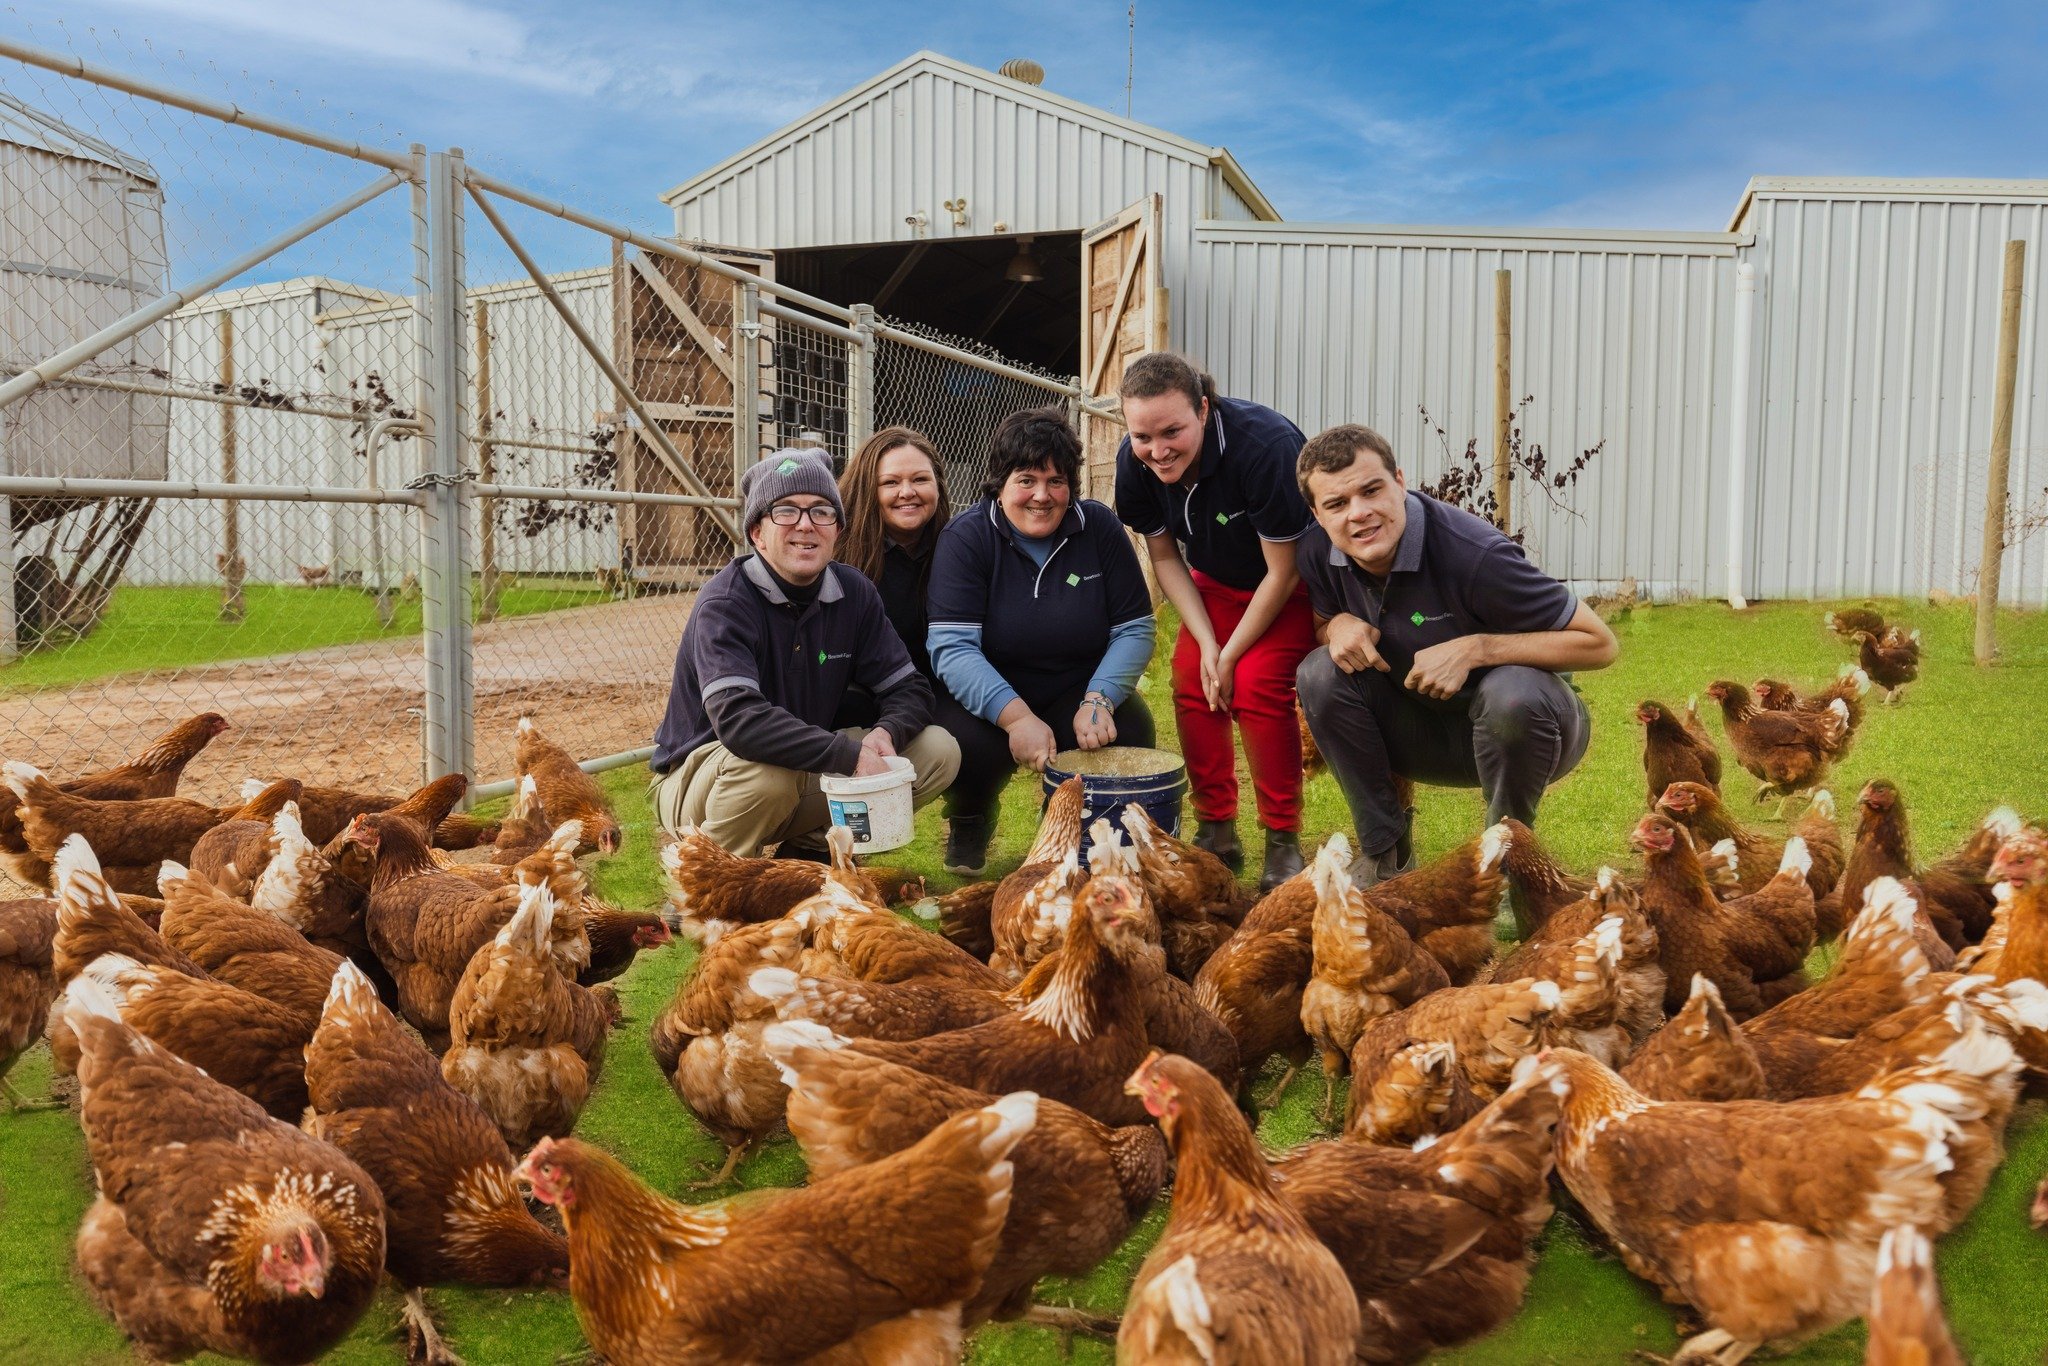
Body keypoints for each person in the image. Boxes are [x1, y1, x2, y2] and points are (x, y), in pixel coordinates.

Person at [1292, 423, 1618, 887]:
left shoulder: (1476, 555)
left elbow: (1600, 643)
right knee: (1319, 672)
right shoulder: (1317, 551)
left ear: (1400, 481)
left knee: (1513, 692)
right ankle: (1385, 853)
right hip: (1420, 732)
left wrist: (1476, 649)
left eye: (1371, 490)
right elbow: (1323, 623)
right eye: (1337, 504)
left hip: (1528, 731)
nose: (1359, 513)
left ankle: (1506, 866)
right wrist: (1337, 626)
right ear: (1317, 513)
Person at [648, 447, 961, 857]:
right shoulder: (725, 603)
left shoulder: (854, 592)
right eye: (785, 511)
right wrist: (850, 755)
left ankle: (808, 857)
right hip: (699, 777)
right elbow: (741, 722)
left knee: (937, 750)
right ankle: (715, 879)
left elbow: (910, 688)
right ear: (757, 533)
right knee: (768, 774)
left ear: (837, 529)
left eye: (821, 511)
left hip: (795, 767)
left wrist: (887, 733)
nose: (805, 524)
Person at [1115, 352, 1317, 892]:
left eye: (1172, 432)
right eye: (1142, 436)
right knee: (1191, 678)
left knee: (1255, 683)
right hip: (1217, 582)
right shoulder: (1133, 462)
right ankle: (1217, 829)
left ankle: (1282, 838)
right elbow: (1164, 558)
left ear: (1203, 409)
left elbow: (1284, 570)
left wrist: (1229, 656)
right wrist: (1207, 645)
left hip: (1289, 584)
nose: (1158, 451)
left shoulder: (1266, 448)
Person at [927, 406, 1157, 874]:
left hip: (1076, 685)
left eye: (1056, 481)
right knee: (962, 742)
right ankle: (970, 816)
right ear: (1000, 483)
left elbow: (1134, 627)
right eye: (1026, 480)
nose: (1042, 495)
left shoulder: (1099, 529)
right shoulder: (967, 537)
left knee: (1130, 728)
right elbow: (952, 647)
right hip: (992, 689)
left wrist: (1100, 698)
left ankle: (1073, 825)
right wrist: (1015, 718)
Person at [832, 426, 952, 729]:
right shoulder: (837, 552)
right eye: (891, 482)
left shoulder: (957, 548)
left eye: (920, 479)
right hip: (861, 695)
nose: (907, 492)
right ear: (867, 489)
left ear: (938, 485)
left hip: (936, 693)